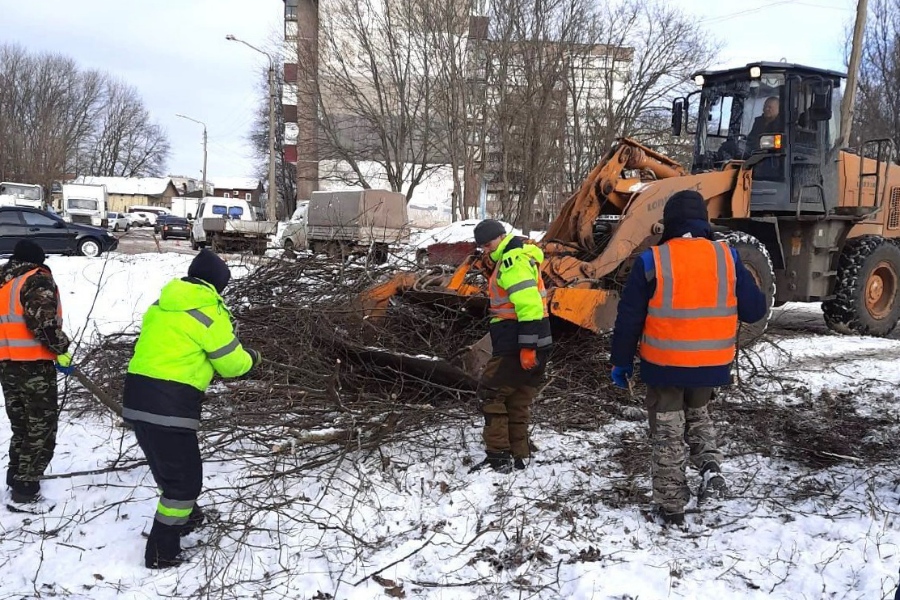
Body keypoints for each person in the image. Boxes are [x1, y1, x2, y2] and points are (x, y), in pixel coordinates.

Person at [609, 191, 767, 526]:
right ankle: (710, 467)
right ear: (703, 221)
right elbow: (755, 311)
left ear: (669, 222)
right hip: (711, 365)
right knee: (699, 414)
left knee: (668, 433)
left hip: (664, 366)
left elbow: (629, 319)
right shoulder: (727, 257)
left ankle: (672, 508)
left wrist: (621, 361)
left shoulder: (653, 260)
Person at [123, 249, 261, 569]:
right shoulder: (207, 312)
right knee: (185, 482)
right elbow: (231, 364)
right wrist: (254, 357)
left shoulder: (161, 305)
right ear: (217, 284)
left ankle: (186, 517)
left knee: (169, 470)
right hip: (169, 404)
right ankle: (162, 550)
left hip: (137, 397)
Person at [471, 219, 552, 473]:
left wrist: (527, 347)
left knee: (490, 393)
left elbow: (529, 306)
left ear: (501, 237)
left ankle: (498, 457)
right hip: (535, 339)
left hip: (517, 341)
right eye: (482, 246)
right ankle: (519, 453)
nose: (485, 249)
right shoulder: (519, 257)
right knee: (517, 397)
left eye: (488, 244)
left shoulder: (512, 261)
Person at [0, 240, 71, 506]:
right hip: (34, 364)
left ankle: (15, 476)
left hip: (7, 363)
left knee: (21, 424)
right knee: (41, 426)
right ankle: (26, 488)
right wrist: (61, 348)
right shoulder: (36, 279)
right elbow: (43, 321)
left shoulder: (4, 282)